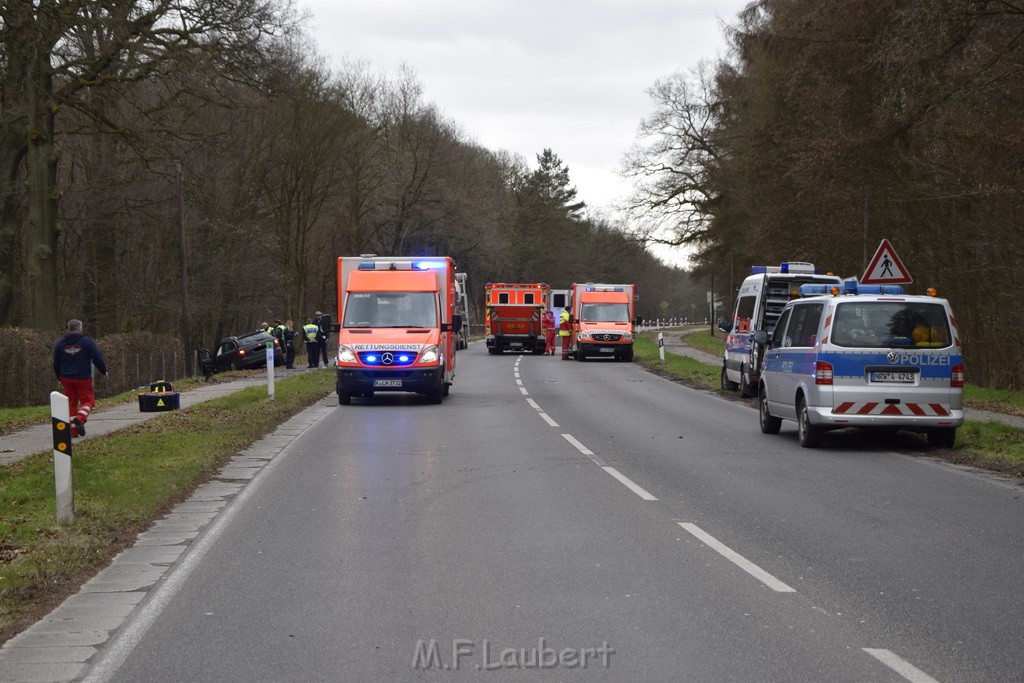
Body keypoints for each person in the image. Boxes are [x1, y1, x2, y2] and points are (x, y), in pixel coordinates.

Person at [52, 319, 107, 438]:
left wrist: (59, 377)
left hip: (66, 377)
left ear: (68, 329)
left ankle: (73, 431)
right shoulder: (87, 342)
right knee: (89, 401)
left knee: (71, 403)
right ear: (80, 329)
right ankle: (80, 418)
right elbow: (97, 357)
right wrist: (103, 371)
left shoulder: (60, 343)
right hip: (82, 377)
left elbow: (56, 362)